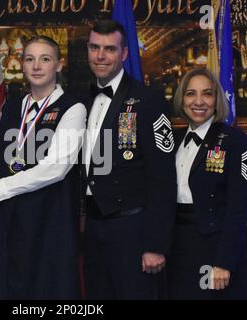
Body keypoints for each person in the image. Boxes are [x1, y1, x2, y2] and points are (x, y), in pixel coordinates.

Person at [0, 36, 86, 299]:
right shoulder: (14, 106)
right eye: (30, 59)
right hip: (9, 219)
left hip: (48, 222)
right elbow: (12, 164)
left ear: (59, 65)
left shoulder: (74, 109)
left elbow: (56, 167)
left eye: (45, 59)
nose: (36, 66)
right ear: (22, 65)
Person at [82, 19, 176, 299]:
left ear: (124, 54)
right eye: (95, 47)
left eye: (109, 49)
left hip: (133, 230)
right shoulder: (81, 99)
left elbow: (162, 177)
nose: (101, 56)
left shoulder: (148, 100)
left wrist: (155, 244)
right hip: (93, 227)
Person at [167, 68, 247, 299]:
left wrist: (224, 262)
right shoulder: (171, 140)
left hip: (213, 246)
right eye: (190, 94)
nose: (198, 101)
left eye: (207, 94)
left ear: (217, 99)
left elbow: (238, 208)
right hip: (176, 247)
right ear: (181, 99)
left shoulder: (234, 140)